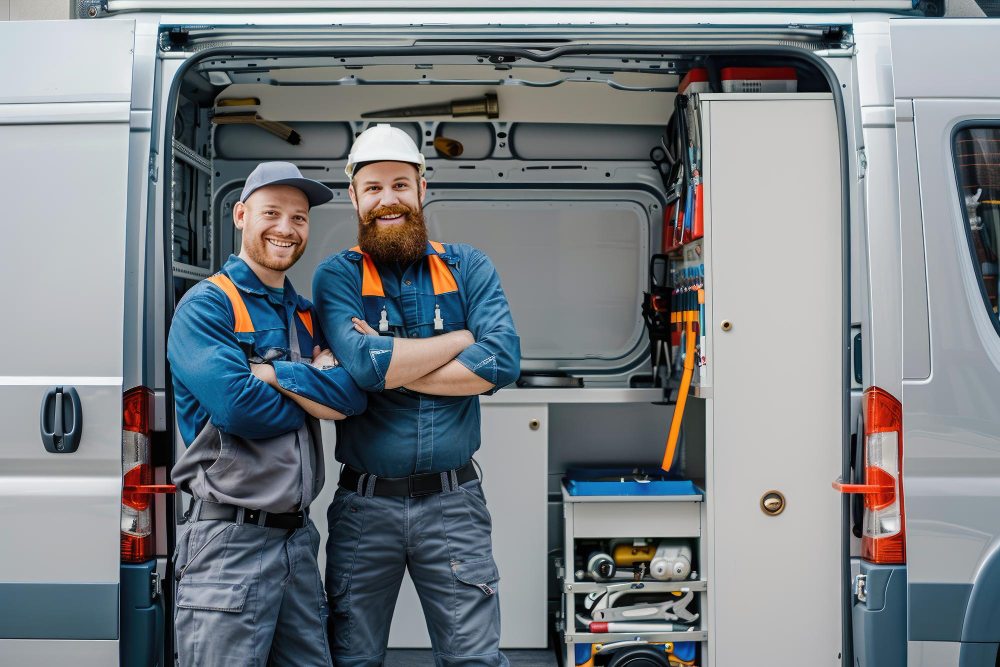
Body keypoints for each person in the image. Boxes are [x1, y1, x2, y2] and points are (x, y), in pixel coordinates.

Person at [312, 124, 520, 667]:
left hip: (455, 505)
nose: (389, 199)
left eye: (400, 185)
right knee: (353, 658)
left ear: (422, 189)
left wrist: (386, 365)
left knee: (473, 660)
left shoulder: (468, 267)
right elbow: (364, 366)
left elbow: (501, 362)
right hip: (365, 508)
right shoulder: (337, 277)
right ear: (354, 197)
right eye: (374, 188)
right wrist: (459, 340)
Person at [169, 161, 367, 667]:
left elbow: (351, 397)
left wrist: (275, 374)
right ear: (240, 215)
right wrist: (312, 386)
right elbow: (240, 410)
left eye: (299, 218)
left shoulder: (305, 313)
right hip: (228, 544)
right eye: (271, 213)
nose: (286, 228)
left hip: (297, 541)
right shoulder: (207, 306)